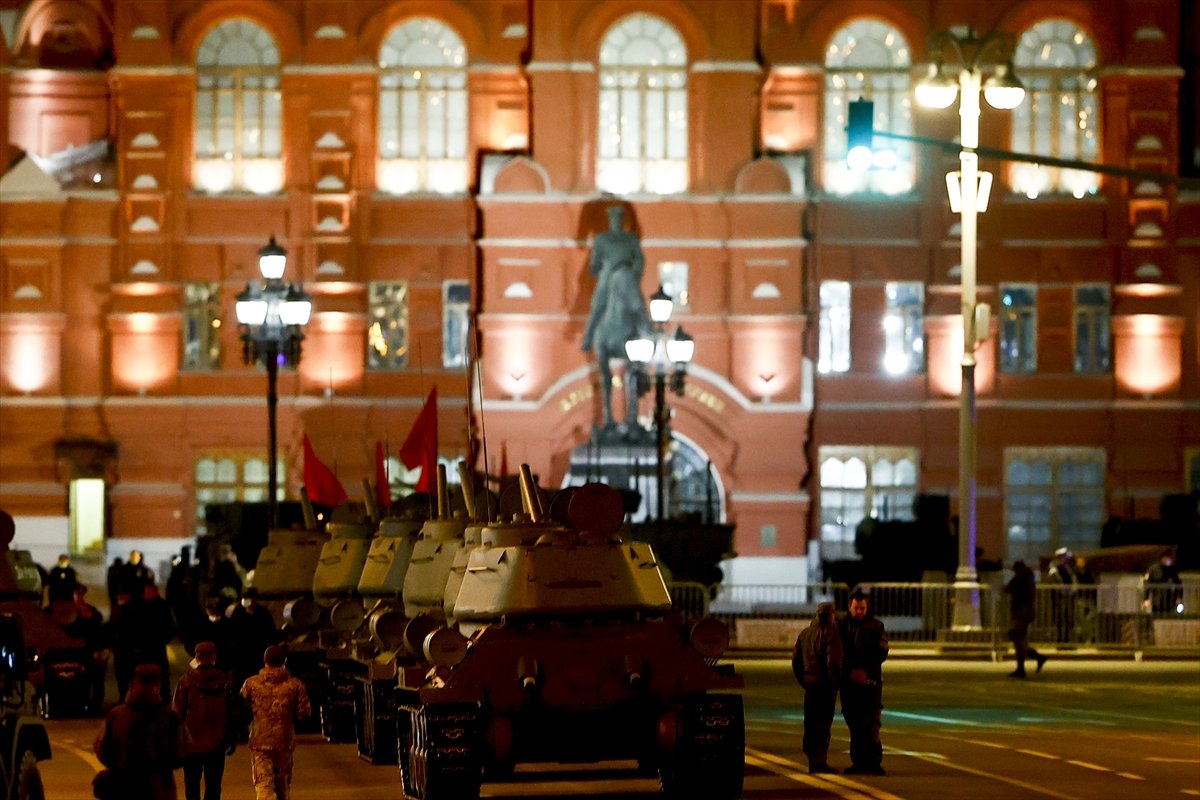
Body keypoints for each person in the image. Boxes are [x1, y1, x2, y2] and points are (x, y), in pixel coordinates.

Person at [580, 204, 650, 430]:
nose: (616, 222)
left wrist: (632, 272)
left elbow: (640, 261)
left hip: (626, 277)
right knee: (598, 303)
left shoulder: (630, 239)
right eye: (613, 218)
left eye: (619, 218)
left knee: (636, 303)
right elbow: (593, 265)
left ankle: (645, 327)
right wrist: (602, 268)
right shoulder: (602, 239)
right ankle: (589, 334)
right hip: (608, 278)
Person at [93, 663, 184, 800]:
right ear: (158, 685)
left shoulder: (117, 715)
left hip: (124, 785)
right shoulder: (169, 718)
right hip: (160, 788)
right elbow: (181, 752)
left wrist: (118, 765)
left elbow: (103, 749)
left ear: (133, 684)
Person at [241, 644, 311, 800]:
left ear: (265, 661)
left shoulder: (251, 684)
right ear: (284, 661)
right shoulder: (295, 685)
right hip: (284, 741)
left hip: (260, 741)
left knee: (263, 784)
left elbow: (240, 709)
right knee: (283, 785)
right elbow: (304, 713)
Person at [173, 641, 240, 800]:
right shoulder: (225, 681)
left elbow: (177, 713)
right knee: (214, 784)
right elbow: (233, 712)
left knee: (191, 782)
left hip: (191, 742)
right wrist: (232, 738)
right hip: (218, 741)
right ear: (214, 657)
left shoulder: (186, 681)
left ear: (196, 657)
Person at [838, 587, 889, 776]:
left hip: (870, 681)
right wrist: (849, 671)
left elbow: (882, 651)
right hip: (849, 682)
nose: (859, 611)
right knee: (854, 723)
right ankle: (858, 762)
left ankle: (874, 763)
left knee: (872, 723)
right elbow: (837, 652)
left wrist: (864, 670)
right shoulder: (841, 626)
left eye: (862, 608)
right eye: (856, 608)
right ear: (849, 607)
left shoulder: (876, 626)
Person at [791, 601, 843, 774]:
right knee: (823, 723)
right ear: (831, 614)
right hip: (824, 685)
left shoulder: (805, 633)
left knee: (810, 722)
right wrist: (835, 683)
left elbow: (796, 661)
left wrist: (804, 680)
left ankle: (812, 757)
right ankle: (819, 761)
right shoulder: (831, 634)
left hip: (809, 685)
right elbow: (833, 663)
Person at [60, 584, 110, 714]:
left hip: (93, 650)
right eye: (78, 593)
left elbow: (98, 626)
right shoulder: (66, 611)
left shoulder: (90, 610)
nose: (81, 596)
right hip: (78, 651)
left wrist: (103, 649)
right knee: (82, 679)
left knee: (97, 679)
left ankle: (95, 705)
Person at [226, 587, 279, 689]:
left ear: (254, 599)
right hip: (241, 655)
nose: (246, 600)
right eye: (244, 597)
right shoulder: (238, 613)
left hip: (258, 653)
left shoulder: (263, 613)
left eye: (248, 598)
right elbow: (231, 632)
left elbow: (271, 632)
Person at [1004, 561, 1047, 678]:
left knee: (1017, 638)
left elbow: (1008, 588)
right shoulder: (1029, 578)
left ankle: (1026, 665)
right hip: (1026, 612)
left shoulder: (1020, 577)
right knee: (1019, 638)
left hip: (1020, 612)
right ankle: (1025, 665)